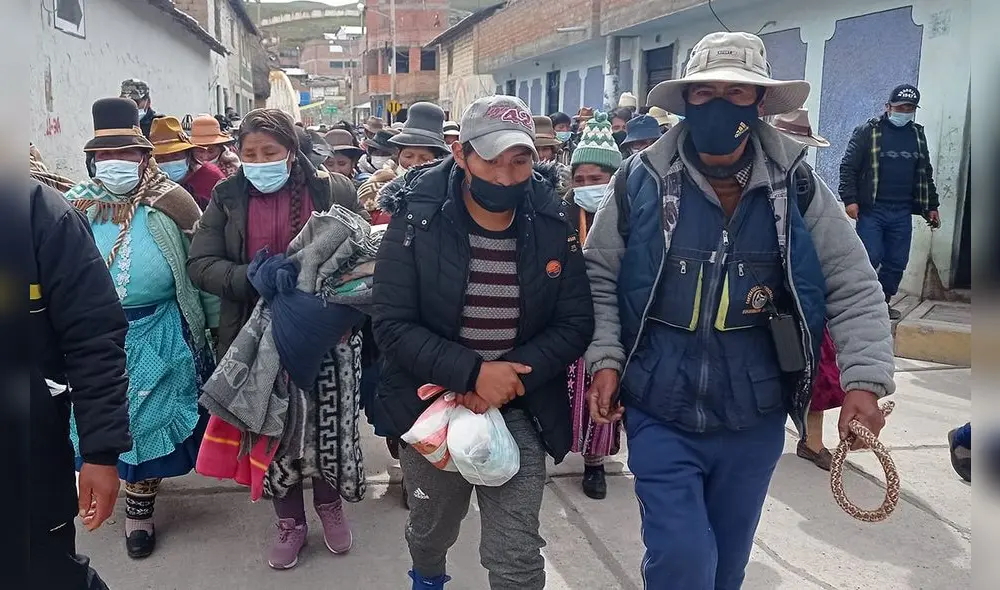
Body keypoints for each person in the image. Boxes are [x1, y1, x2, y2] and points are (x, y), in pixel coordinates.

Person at [583, 32, 896, 588]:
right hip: (660, 403)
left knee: (727, 568)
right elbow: (600, 274)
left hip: (753, 411)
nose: (720, 104)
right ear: (685, 100)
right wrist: (606, 357)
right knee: (682, 561)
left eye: (738, 91)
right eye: (705, 93)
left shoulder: (797, 186)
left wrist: (863, 380)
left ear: (759, 103)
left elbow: (853, 285)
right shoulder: (640, 182)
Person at [371, 95, 594, 589]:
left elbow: (575, 322)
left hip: (522, 406)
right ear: (461, 154)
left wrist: (504, 380)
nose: (506, 175)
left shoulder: (553, 223)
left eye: (520, 160)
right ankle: (427, 579)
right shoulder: (417, 221)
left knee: (514, 554)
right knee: (431, 531)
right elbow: (391, 323)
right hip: (432, 405)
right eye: (490, 160)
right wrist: (472, 375)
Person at [188, 108, 364, 570]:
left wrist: (340, 299)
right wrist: (251, 277)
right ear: (238, 155)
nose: (260, 160)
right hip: (258, 337)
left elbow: (367, 250)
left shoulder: (332, 190)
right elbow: (200, 264)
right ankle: (290, 521)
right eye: (249, 153)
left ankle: (330, 505)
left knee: (328, 426)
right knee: (274, 431)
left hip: (330, 335)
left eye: (270, 152)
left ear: (291, 152)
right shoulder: (225, 198)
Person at [65, 98, 218, 560]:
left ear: (144, 157)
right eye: (106, 156)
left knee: (147, 426)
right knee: (97, 421)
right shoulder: (73, 208)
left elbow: (201, 270)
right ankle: (105, 482)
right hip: (92, 339)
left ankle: (139, 509)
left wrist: (212, 330)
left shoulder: (173, 204)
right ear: (92, 161)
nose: (116, 164)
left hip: (160, 330)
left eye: (127, 154)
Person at [26, 177, 132, 589]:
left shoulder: (39, 215)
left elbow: (93, 340)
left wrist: (100, 454)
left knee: (49, 574)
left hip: (28, 462)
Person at [771, 107, 843, 471]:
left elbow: (839, 256)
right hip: (765, 301)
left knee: (820, 369)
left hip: (807, 298)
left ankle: (812, 441)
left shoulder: (809, 185)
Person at [561, 111, 623, 499]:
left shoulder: (629, 216)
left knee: (602, 392)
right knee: (567, 393)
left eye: (596, 179)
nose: (587, 186)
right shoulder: (561, 214)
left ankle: (594, 464)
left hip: (611, 320)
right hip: (568, 318)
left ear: (613, 179)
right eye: (580, 180)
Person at [839, 83, 940, 320]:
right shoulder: (868, 132)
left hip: (902, 211)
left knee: (896, 262)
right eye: (900, 107)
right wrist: (850, 200)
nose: (905, 112)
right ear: (888, 107)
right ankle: (859, 303)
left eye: (910, 108)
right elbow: (848, 167)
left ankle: (881, 302)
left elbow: (925, 172)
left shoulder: (917, 135)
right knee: (869, 256)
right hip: (872, 210)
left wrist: (931, 206)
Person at [150, 116, 226, 211]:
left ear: (188, 155)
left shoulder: (211, 177)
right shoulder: (149, 186)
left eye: (175, 155)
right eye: (161, 158)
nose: (169, 162)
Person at [387, 102, 450, 170]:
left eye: (425, 159)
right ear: (399, 154)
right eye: (408, 156)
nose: (414, 164)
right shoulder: (384, 177)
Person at [190, 114, 242, 179]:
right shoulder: (186, 165)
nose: (205, 156)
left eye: (211, 151)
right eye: (200, 151)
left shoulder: (231, 163)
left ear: (220, 148)